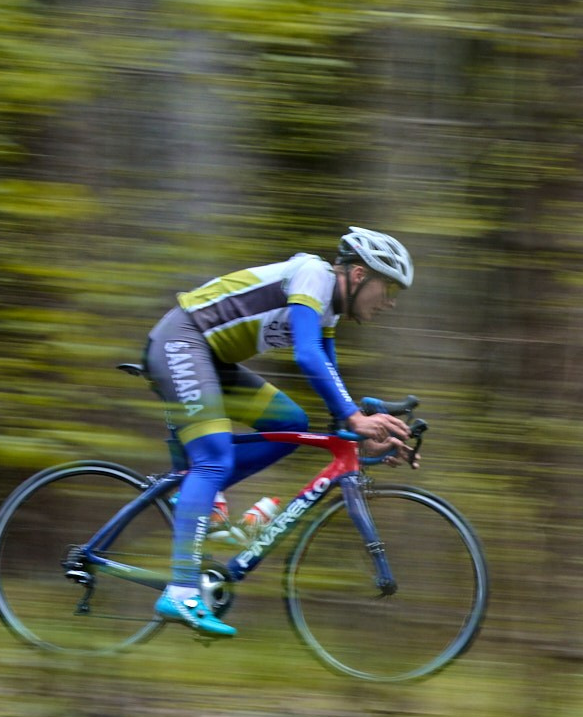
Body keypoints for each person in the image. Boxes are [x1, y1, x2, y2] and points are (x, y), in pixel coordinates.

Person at [143, 227, 415, 637]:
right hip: (182, 341)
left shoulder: (328, 311)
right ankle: (181, 589)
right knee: (213, 457)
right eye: (388, 288)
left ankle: (198, 493)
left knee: (291, 425)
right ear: (359, 275)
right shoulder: (314, 276)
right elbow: (306, 355)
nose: (390, 302)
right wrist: (355, 418)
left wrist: (363, 430)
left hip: (211, 359)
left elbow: (331, 379)